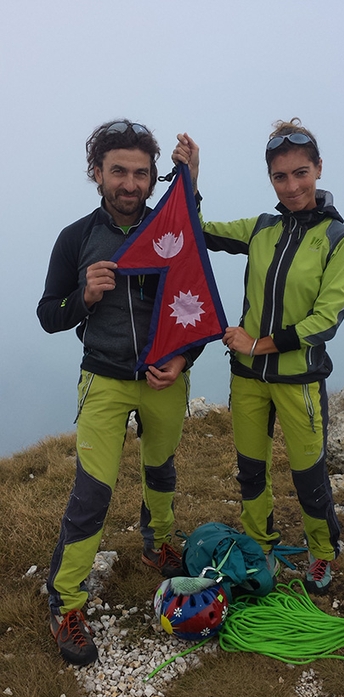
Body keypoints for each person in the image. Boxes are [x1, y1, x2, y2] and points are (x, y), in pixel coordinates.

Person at [173, 119, 344, 595]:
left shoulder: (341, 241)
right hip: (248, 380)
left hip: (298, 378)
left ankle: (322, 552)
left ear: (318, 169)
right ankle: (260, 543)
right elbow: (197, 232)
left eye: (301, 172)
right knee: (251, 469)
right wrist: (192, 177)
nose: (292, 185)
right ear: (271, 180)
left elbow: (326, 320)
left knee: (309, 475)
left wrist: (259, 343)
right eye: (281, 177)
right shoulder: (262, 229)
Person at [38, 120, 203, 666]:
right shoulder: (76, 237)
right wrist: (83, 297)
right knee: (91, 494)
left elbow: (195, 306)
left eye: (140, 172)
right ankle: (66, 601)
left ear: (154, 176)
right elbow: (48, 315)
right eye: (118, 172)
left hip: (163, 378)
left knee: (161, 468)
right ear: (97, 174)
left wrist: (183, 359)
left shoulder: (171, 228)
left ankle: (157, 546)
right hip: (103, 378)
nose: (130, 183)